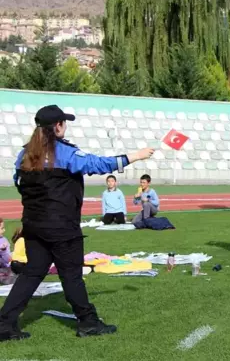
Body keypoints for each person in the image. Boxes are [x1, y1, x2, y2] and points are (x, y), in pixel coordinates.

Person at [0, 104, 154, 341]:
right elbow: (98, 164)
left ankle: (5, 323)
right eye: (64, 122)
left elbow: (19, 183)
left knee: (31, 274)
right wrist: (137, 155)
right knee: (71, 276)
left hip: (33, 225)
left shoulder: (24, 155)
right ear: (58, 126)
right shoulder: (66, 153)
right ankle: (88, 322)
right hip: (61, 227)